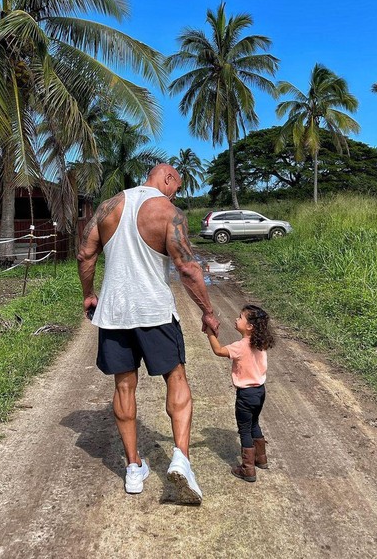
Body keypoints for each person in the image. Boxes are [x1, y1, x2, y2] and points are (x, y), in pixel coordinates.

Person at [77, 163, 220, 504]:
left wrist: (89, 293)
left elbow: (85, 253)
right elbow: (187, 268)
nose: (176, 193)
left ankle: (132, 468)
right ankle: (181, 460)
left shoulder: (108, 206)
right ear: (168, 178)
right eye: (177, 187)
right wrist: (208, 311)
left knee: (124, 385)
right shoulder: (168, 212)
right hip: (154, 313)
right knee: (176, 378)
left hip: (114, 315)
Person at [205, 304, 274, 482]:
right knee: (254, 424)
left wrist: (210, 333)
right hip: (260, 392)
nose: (236, 319)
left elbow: (218, 350)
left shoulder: (240, 346)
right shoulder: (261, 343)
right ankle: (261, 458)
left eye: (240, 317)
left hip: (245, 395)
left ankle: (247, 468)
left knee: (244, 430)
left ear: (250, 326)